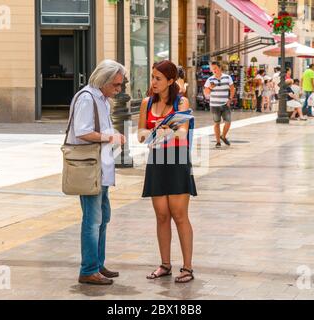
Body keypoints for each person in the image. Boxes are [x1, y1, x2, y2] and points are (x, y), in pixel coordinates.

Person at [137, 60, 197, 283]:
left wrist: (167, 130)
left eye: (158, 78)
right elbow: (140, 134)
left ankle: (188, 268)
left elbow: (183, 132)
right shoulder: (146, 103)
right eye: (152, 77)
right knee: (161, 216)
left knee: (179, 215)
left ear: (171, 81)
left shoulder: (181, 102)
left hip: (177, 161)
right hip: (157, 161)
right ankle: (165, 264)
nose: (153, 82)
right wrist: (152, 132)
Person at [69, 60, 127, 285]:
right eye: (116, 85)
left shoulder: (101, 99)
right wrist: (110, 137)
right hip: (91, 168)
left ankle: (97, 264)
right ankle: (89, 269)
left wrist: (112, 134)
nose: (119, 89)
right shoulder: (87, 98)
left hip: (100, 168)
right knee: (92, 220)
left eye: (120, 85)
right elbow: (82, 131)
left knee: (103, 217)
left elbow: (100, 129)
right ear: (103, 80)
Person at [204, 61, 235, 148]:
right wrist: (210, 87)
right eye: (212, 69)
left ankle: (223, 136)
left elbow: (232, 89)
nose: (214, 70)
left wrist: (230, 99)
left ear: (220, 68)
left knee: (228, 122)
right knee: (217, 123)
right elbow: (206, 93)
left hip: (225, 104)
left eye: (215, 68)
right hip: (214, 105)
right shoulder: (210, 79)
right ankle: (218, 142)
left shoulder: (227, 77)